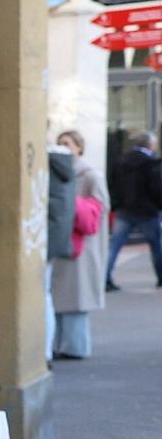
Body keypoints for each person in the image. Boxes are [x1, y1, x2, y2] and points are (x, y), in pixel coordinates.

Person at [52, 129, 109, 357]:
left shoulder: (90, 175)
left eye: (67, 143)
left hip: (82, 244)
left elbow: (99, 209)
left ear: (79, 147)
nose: (63, 148)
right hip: (66, 241)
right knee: (60, 296)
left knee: (77, 297)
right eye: (59, 143)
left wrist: (72, 203)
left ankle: (74, 347)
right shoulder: (58, 171)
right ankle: (61, 345)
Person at [105, 130, 162, 291]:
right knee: (156, 245)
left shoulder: (121, 161)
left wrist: (116, 204)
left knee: (114, 246)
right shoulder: (151, 162)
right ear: (150, 145)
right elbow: (156, 188)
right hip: (147, 211)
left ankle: (104, 279)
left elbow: (112, 184)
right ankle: (161, 277)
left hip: (124, 210)